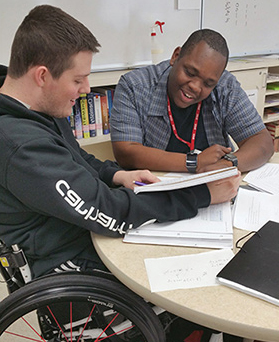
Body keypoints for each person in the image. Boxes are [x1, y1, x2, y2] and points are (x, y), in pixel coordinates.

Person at [0, 6, 240, 342]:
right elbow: (109, 211)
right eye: (78, 79)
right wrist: (203, 195)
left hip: (80, 236)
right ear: (42, 75)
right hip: (69, 263)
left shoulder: (37, 108)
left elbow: (77, 159)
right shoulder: (20, 145)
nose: (85, 89)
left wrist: (116, 175)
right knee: (205, 283)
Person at [110, 29, 274, 173]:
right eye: (190, 72)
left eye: (208, 84)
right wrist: (194, 163)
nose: (195, 87)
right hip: (156, 190)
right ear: (175, 56)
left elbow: (262, 141)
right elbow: (126, 152)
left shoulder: (225, 87)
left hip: (211, 185)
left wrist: (228, 164)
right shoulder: (135, 86)